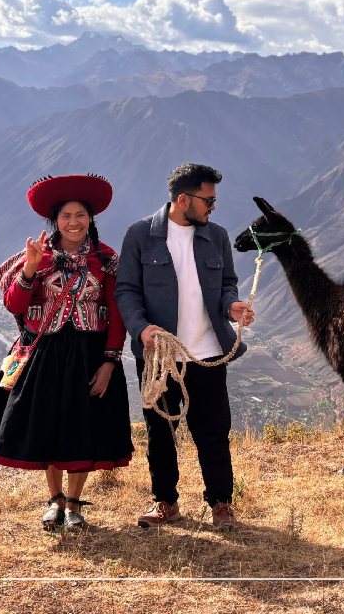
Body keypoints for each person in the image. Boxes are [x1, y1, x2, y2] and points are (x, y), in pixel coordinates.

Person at [0, 174, 134, 531]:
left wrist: (109, 362)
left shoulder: (106, 260)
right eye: (66, 216)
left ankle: (74, 504)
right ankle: (55, 500)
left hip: (89, 354)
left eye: (81, 215)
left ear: (90, 218)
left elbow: (117, 314)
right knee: (48, 424)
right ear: (55, 220)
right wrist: (31, 268)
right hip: (45, 353)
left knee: (82, 426)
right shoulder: (38, 256)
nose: (74, 222)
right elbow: (14, 304)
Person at [115, 162, 254, 530]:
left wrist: (231, 306)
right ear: (183, 200)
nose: (213, 207)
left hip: (208, 355)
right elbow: (126, 290)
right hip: (159, 357)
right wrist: (141, 328)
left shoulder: (217, 236)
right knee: (160, 433)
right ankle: (165, 503)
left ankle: (220, 504)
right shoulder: (140, 235)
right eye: (208, 200)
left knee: (213, 433)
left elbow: (227, 283)